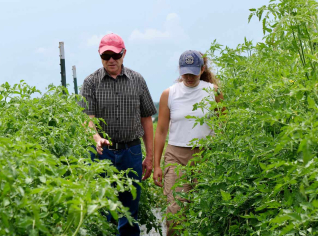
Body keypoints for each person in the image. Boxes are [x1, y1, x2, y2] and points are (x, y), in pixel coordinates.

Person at [79, 33, 157, 236]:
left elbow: (147, 119)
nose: (111, 60)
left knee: (129, 211)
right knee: (103, 208)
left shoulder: (137, 80)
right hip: (102, 153)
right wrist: (96, 137)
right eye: (106, 56)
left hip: (131, 151)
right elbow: (87, 118)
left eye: (115, 55)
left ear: (124, 54)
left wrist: (150, 157)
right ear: (100, 55)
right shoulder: (91, 83)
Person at [153, 50, 224, 236]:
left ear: (202, 70)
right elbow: (160, 132)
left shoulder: (213, 92)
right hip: (176, 156)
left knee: (204, 209)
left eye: (193, 72)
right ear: (179, 70)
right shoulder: (169, 94)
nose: (189, 77)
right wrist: (157, 165)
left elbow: (225, 126)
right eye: (185, 73)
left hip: (205, 157)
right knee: (176, 211)